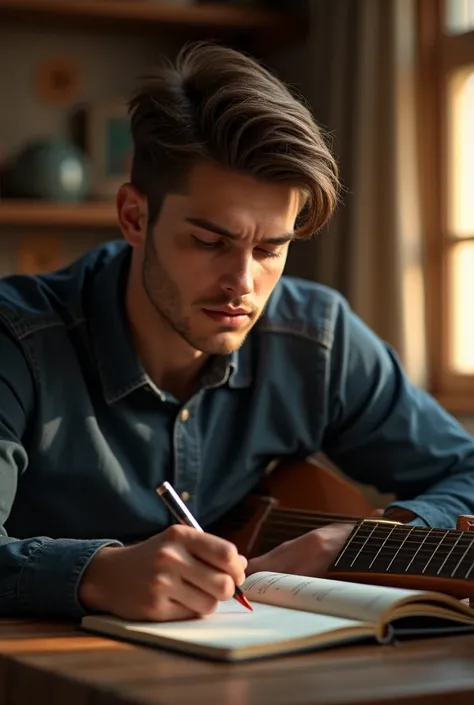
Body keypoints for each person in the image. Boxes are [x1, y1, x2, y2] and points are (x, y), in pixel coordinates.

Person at [1, 42, 474, 624]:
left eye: (271, 249)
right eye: (209, 242)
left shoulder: (315, 338)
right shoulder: (18, 340)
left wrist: (359, 539)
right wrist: (94, 573)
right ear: (134, 217)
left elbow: (467, 472)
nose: (241, 284)